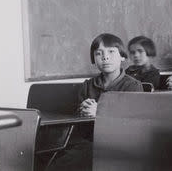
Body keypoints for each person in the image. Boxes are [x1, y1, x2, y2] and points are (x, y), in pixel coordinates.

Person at [48, 33, 142, 171]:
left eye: (111, 51)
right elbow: (77, 120)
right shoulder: (87, 85)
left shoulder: (133, 86)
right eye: (99, 53)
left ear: (122, 56)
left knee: (72, 160)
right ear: (94, 59)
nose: (105, 57)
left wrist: (99, 112)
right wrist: (83, 111)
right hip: (87, 141)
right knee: (56, 152)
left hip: (118, 143)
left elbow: (132, 124)